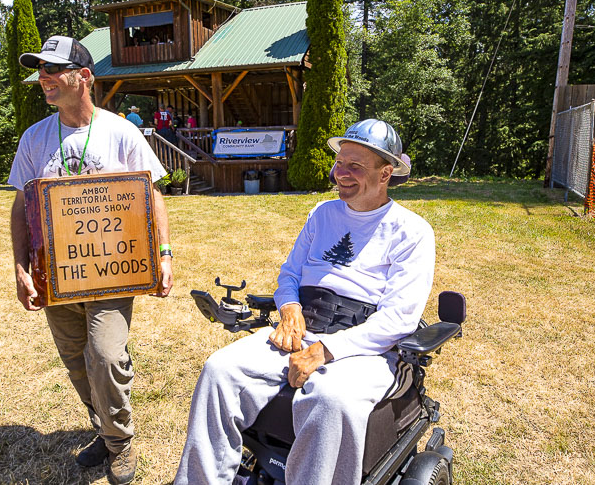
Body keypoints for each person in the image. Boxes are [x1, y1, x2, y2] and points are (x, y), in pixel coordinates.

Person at [174, 119, 435, 485]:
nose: (339, 174)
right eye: (339, 162)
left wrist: (324, 350)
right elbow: (290, 275)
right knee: (220, 369)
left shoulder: (412, 231)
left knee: (330, 397)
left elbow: (399, 319)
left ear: (386, 173)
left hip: (364, 347)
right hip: (303, 325)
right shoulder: (322, 214)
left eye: (354, 167)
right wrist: (290, 309)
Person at [8, 35, 174, 485]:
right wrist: (21, 268)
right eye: (40, 70)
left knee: (104, 355)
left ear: (84, 77)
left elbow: (150, 194)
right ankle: (103, 426)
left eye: (53, 69)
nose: (44, 78)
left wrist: (162, 253)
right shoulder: (35, 137)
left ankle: (120, 441)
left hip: (112, 270)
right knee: (76, 360)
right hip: (56, 275)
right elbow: (22, 205)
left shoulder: (120, 131)